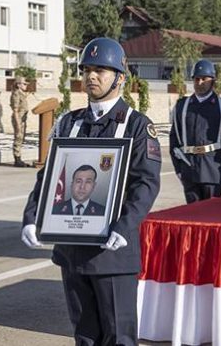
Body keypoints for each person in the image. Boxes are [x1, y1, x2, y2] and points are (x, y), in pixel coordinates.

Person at [20, 37, 162, 346]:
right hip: (72, 252)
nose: (91, 76)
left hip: (113, 253)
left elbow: (146, 183)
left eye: (101, 70)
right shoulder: (69, 123)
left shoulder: (137, 126)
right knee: (84, 337)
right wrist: (32, 217)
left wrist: (125, 227)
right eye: (86, 70)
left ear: (120, 78)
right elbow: (48, 178)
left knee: (119, 338)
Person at [169, 59, 221, 204]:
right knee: (192, 220)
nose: (199, 82)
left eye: (204, 79)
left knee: (212, 219)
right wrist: (179, 169)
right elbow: (174, 139)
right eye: (196, 79)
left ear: (212, 80)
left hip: (213, 172)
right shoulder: (182, 106)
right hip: (189, 170)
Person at [11, 76, 29, 167]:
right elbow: (15, 109)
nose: (26, 86)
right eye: (24, 84)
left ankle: (19, 158)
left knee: (21, 138)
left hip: (23, 119)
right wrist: (17, 122)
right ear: (18, 85)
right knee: (18, 138)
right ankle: (17, 159)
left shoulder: (22, 93)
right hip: (18, 118)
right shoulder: (16, 94)